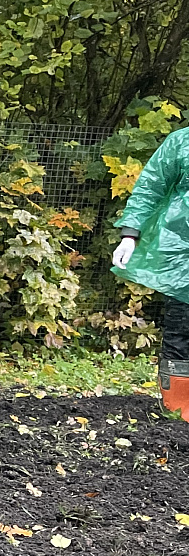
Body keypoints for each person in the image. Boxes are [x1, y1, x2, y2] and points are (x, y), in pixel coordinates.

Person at [111, 126, 189, 420]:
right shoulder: (182, 142)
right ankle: (180, 410)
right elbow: (151, 186)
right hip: (183, 256)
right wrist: (130, 233)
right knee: (182, 326)